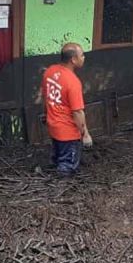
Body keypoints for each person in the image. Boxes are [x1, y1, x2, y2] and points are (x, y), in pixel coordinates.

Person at [41, 43, 92, 177]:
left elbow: (46, 97)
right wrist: (85, 134)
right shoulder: (73, 82)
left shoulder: (49, 71)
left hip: (53, 126)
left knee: (57, 157)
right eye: (82, 55)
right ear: (73, 60)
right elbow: (77, 112)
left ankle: (50, 177)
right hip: (68, 132)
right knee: (67, 167)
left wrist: (46, 114)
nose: (84, 58)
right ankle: (60, 191)